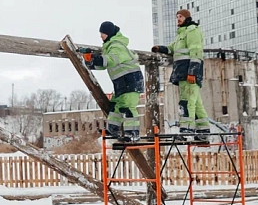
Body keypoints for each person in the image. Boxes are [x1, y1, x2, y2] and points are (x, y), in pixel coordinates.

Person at [152, 8, 211, 139]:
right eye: (177, 16)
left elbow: (196, 52)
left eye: (181, 16)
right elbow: (172, 48)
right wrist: (160, 48)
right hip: (183, 74)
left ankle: (186, 130)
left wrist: (192, 72)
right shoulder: (181, 35)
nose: (178, 18)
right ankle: (203, 131)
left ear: (187, 18)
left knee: (187, 101)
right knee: (195, 103)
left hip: (189, 74)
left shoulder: (192, 31)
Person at [80, 21, 144, 142]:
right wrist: (91, 62)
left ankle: (133, 134)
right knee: (116, 106)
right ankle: (113, 129)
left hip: (131, 80)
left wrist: (95, 59)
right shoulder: (110, 46)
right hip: (122, 82)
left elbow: (111, 60)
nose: (101, 36)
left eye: (102, 34)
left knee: (128, 107)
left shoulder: (117, 46)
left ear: (108, 33)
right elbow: (104, 65)